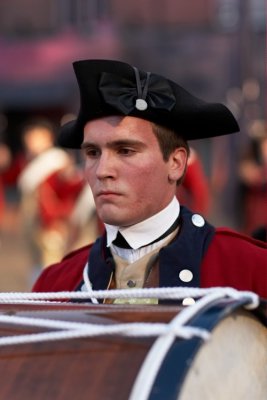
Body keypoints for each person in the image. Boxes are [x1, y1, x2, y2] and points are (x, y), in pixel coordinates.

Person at [32, 59, 267, 302]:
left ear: (176, 163)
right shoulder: (53, 285)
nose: (102, 170)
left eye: (125, 150)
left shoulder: (252, 271)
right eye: (92, 153)